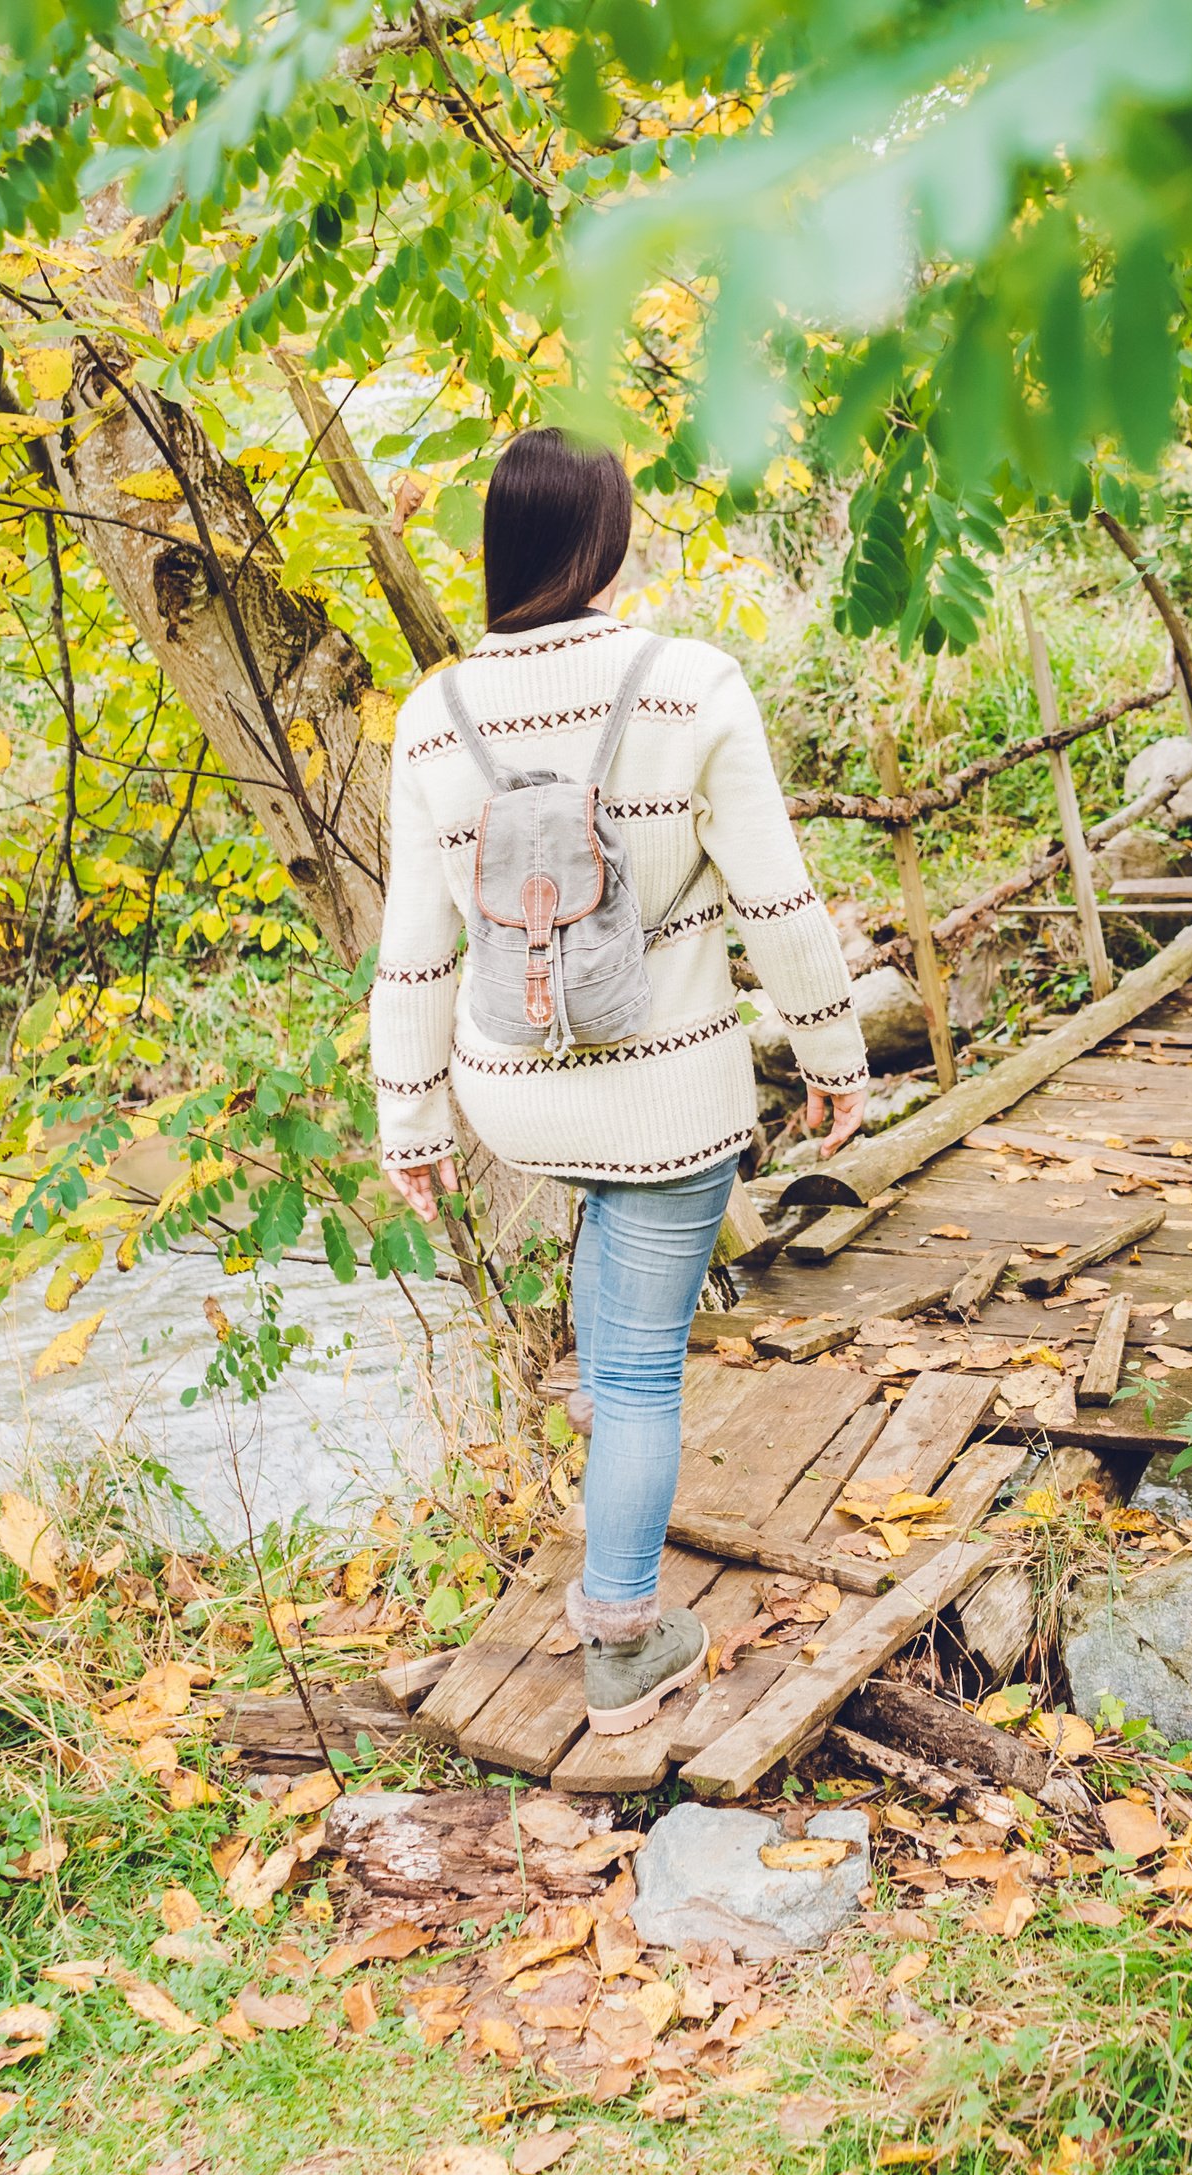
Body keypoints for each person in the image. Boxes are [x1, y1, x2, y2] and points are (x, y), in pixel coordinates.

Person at [369, 428, 871, 1736]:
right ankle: (626, 1643)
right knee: (652, 1371)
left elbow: (416, 955)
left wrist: (407, 1122)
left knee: (606, 1246)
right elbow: (775, 896)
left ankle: (598, 1405)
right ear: (606, 542)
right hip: (668, 1088)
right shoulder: (691, 684)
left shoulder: (434, 717)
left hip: (513, 1088)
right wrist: (831, 1050)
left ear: (499, 543)